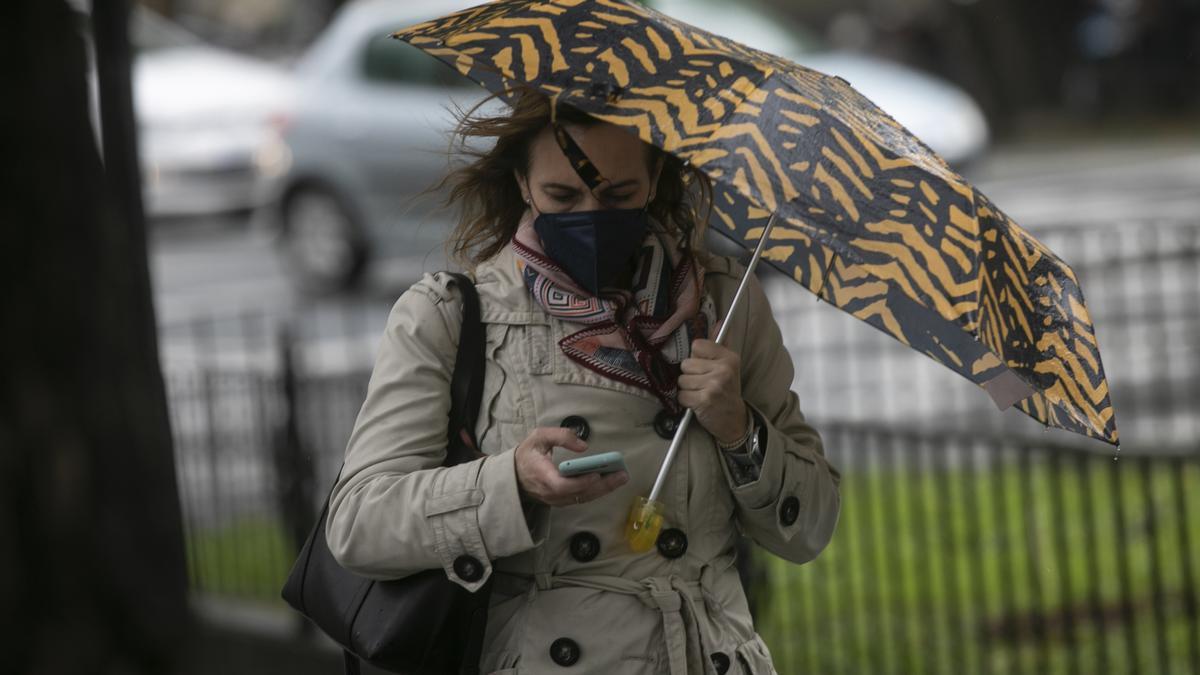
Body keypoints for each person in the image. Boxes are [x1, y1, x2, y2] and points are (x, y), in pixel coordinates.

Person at [325, 88, 841, 675]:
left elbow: (811, 529)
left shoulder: (727, 305)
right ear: (523, 183)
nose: (590, 218)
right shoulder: (448, 316)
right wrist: (511, 484)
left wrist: (739, 429)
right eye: (561, 195)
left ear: (655, 179)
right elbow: (358, 524)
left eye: (618, 194)